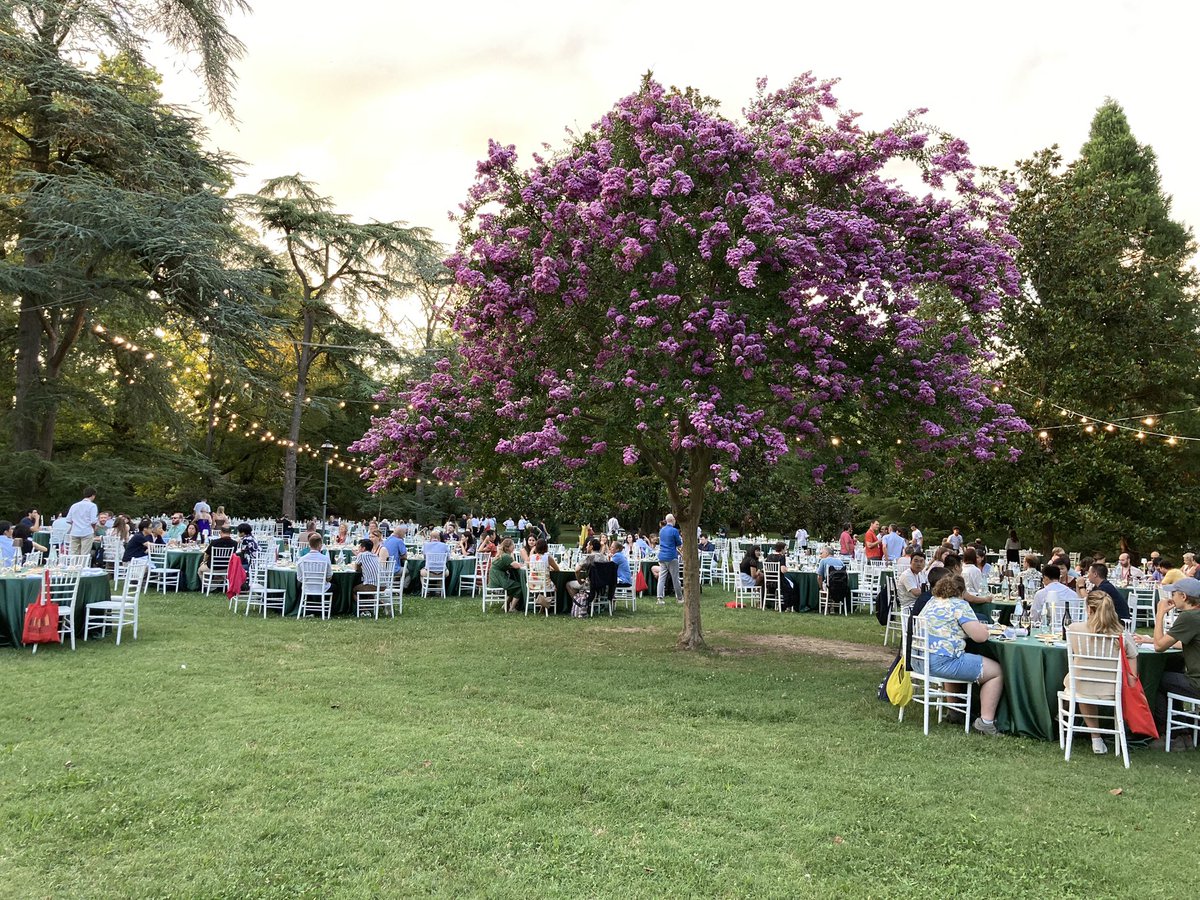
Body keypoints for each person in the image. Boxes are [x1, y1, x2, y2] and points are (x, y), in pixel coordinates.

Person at [916, 574, 1004, 735]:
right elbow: (980, 637)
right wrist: (985, 629)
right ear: (962, 592)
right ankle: (986, 722)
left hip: (920, 661)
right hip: (942, 663)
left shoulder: (932, 602)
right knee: (996, 672)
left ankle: (954, 711)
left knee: (953, 656)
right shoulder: (959, 605)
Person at [1065, 591, 1139, 755]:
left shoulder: (1074, 629)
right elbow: (1133, 674)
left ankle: (1095, 737)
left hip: (1082, 686)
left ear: (1089, 609)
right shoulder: (1122, 634)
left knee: (1079, 682)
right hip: (1112, 689)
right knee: (1084, 681)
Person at [1136, 576, 1200, 742]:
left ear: (1183, 596)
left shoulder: (1188, 617)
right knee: (1171, 676)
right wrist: (1149, 640)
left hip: (1196, 683)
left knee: (1155, 678)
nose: (1171, 597)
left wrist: (1160, 614)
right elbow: (1184, 643)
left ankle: (1170, 733)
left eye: (1174, 594)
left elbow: (1159, 647)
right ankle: (1180, 730)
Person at [567, 538, 606, 613]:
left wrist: (579, 581)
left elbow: (577, 570)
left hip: (590, 585)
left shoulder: (589, 557)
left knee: (568, 584)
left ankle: (580, 605)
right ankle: (584, 602)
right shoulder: (604, 558)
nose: (586, 547)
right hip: (602, 585)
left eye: (588, 545)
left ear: (591, 547)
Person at [488, 538, 524, 612]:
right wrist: (524, 564)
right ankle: (512, 608)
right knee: (518, 587)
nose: (514, 546)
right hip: (498, 580)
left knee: (513, 587)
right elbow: (516, 566)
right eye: (513, 545)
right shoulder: (506, 556)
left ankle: (506, 605)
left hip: (494, 580)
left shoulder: (502, 555)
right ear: (508, 547)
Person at [656, 513, 683, 605]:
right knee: (675, 578)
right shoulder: (674, 531)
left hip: (662, 556)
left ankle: (659, 598)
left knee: (661, 578)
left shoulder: (661, 530)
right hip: (671, 556)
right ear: (672, 520)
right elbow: (679, 544)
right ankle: (679, 598)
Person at [65, 487, 99, 559]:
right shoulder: (92, 506)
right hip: (87, 531)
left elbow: (68, 520)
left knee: (73, 554)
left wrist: (76, 523)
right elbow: (93, 521)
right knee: (84, 554)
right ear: (93, 495)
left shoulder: (74, 505)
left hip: (75, 532)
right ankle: (82, 566)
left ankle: (73, 565)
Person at [352, 538, 382, 604]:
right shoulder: (375, 556)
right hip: (383, 585)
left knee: (353, 590)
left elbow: (356, 569)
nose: (358, 549)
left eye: (359, 547)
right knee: (364, 586)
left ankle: (364, 608)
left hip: (373, 586)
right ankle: (379, 603)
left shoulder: (361, 555)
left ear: (363, 548)